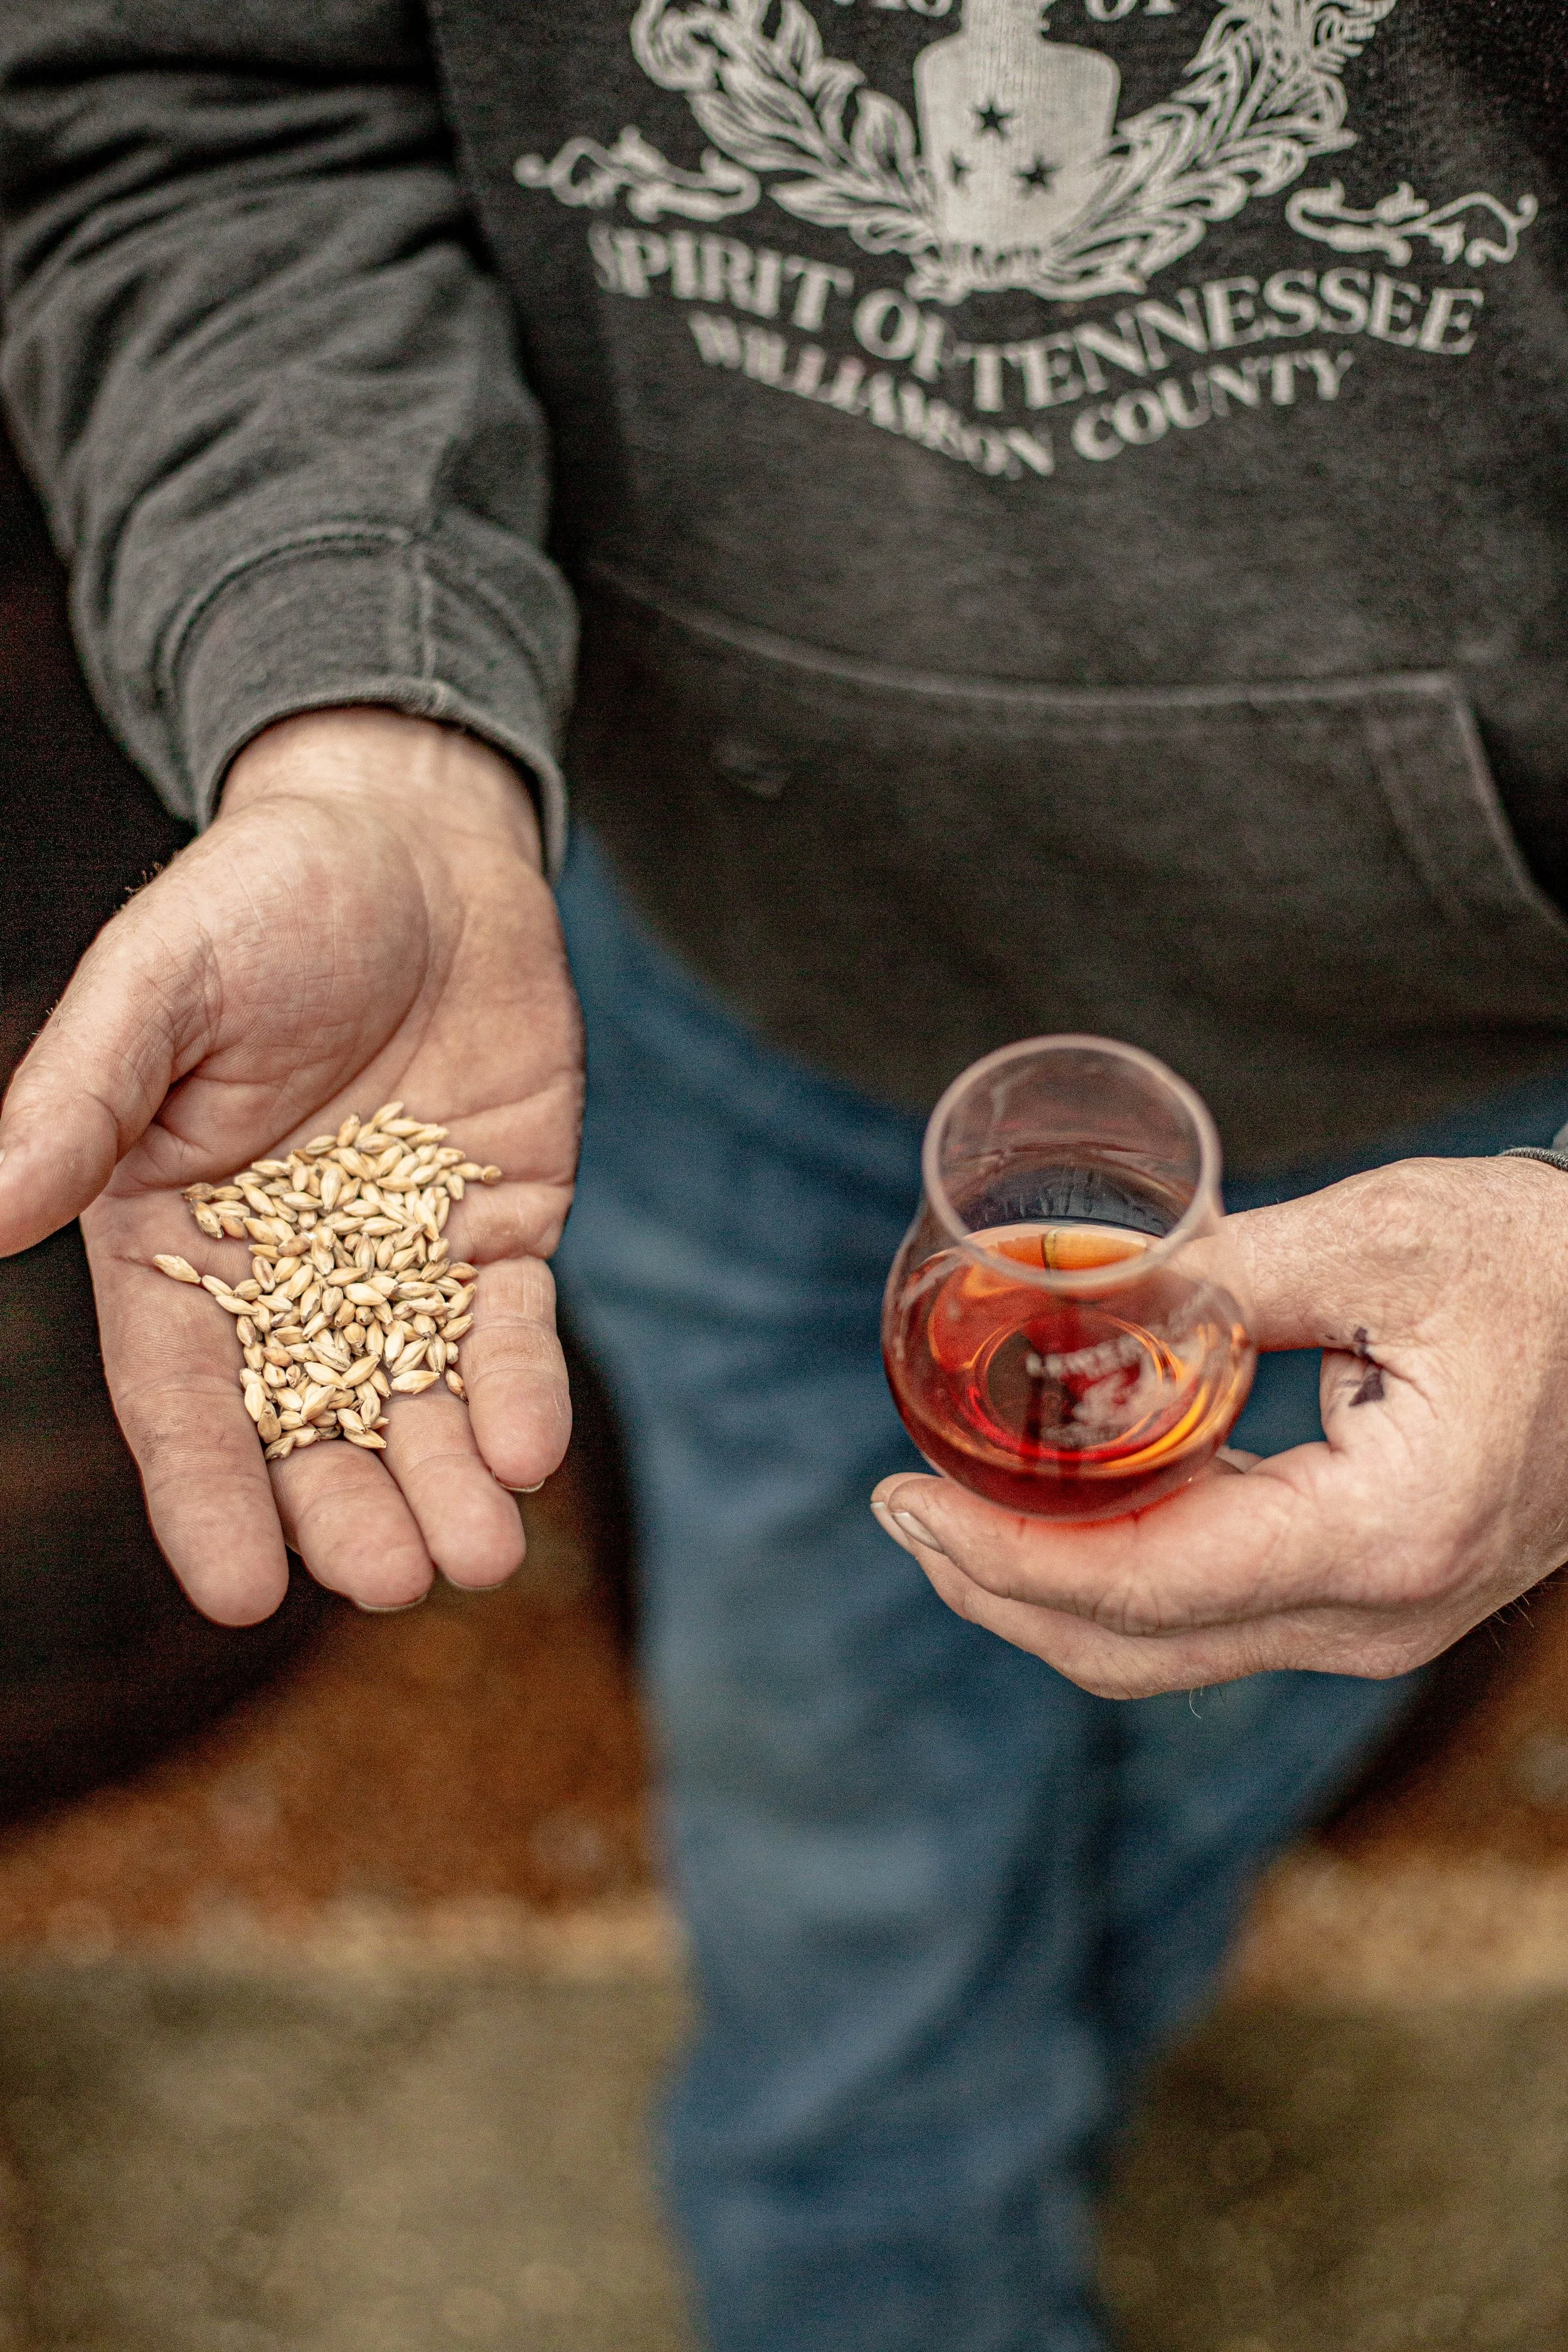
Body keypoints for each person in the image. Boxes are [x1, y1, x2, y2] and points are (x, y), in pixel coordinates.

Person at [1, 4, 1565, 2345]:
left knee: (1219, 1717)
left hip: (1457, 1102)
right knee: (840, 1858)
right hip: (707, 995)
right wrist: (363, 725)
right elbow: (194, 96)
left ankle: (1007, 2081)